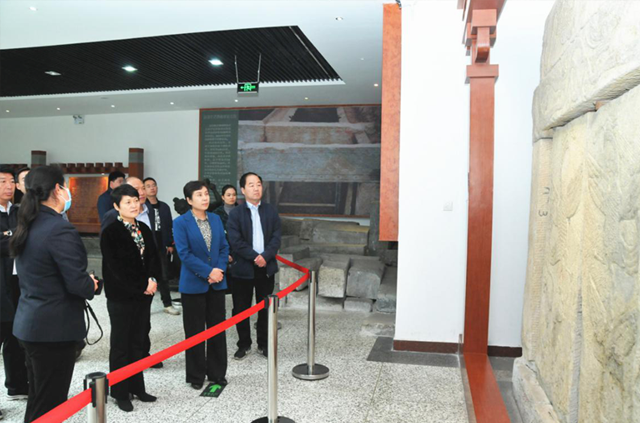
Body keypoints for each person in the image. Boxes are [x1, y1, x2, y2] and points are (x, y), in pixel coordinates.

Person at [10, 166, 98, 422]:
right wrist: (91, 284)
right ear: (58, 189)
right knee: (50, 405)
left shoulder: (28, 223)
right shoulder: (59, 229)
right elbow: (77, 283)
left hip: (31, 324)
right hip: (53, 330)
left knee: (39, 399)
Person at [101, 184, 160, 412]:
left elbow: (153, 258)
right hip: (121, 297)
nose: (134, 205)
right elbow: (117, 269)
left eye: (135, 200)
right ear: (117, 206)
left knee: (138, 342)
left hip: (143, 296)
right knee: (121, 345)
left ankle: (137, 387)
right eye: (127, 202)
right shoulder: (111, 232)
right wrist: (142, 285)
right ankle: (119, 391)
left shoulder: (143, 228)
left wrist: (152, 279)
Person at [173, 181, 229, 389]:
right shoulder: (180, 223)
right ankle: (196, 376)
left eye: (206, 194)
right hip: (193, 285)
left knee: (217, 330)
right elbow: (184, 254)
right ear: (189, 200)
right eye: (199, 195)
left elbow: (223, 248)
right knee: (195, 332)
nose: (205, 198)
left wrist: (218, 270)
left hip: (217, 283)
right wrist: (208, 272)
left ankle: (217, 373)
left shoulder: (215, 219)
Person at [227, 172, 281, 360]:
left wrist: (265, 256)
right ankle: (244, 344)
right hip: (243, 269)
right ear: (243, 190)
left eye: (258, 184)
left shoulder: (271, 211)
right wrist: (255, 257)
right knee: (241, 309)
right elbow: (235, 241)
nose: (256, 188)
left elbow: (276, 237)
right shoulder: (235, 214)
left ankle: (263, 344)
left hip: (266, 268)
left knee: (265, 308)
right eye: (251, 185)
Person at [0, 167, 29, 419]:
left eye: (11, 182)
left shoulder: (18, 212)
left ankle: (17, 385)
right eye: (2, 182)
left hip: (18, 283)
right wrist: (14, 237)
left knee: (15, 336)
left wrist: (10, 237)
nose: (8, 186)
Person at [144, 177, 180, 315]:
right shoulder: (143, 207)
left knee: (164, 276)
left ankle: (167, 304)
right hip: (147, 247)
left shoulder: (164, 206)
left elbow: (169, 226)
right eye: (148, 186)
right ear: (144, 190)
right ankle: (145, 306)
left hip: (161, 246)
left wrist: (170, 243)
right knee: (147, 276)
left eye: (154, 185)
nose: (152, 188)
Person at [213, 185, 238, 294]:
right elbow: (215, 237)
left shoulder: (242, 211)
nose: (232, 197)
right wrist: (225, 253)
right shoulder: (216, 214)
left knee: (238, 290)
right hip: (222, 254)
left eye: (234, 195)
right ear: (223, 197)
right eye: (228, 195)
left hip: (239, 253)